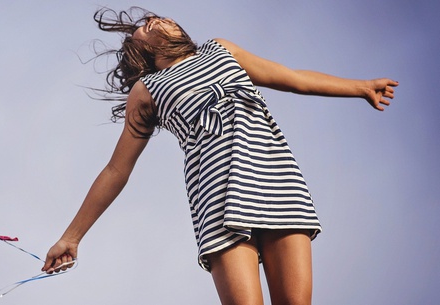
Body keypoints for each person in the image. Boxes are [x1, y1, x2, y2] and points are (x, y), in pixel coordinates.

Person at [42, 7, 397, 305]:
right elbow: (117, 170)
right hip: (218, 202)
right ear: (143, 51)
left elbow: (292, 78)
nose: (157, 21)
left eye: (158, 17)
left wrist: (360, 87)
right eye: (146, 27)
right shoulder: (147, 90)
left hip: (277, 182)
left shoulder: (220, 50)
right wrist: (72, 237)